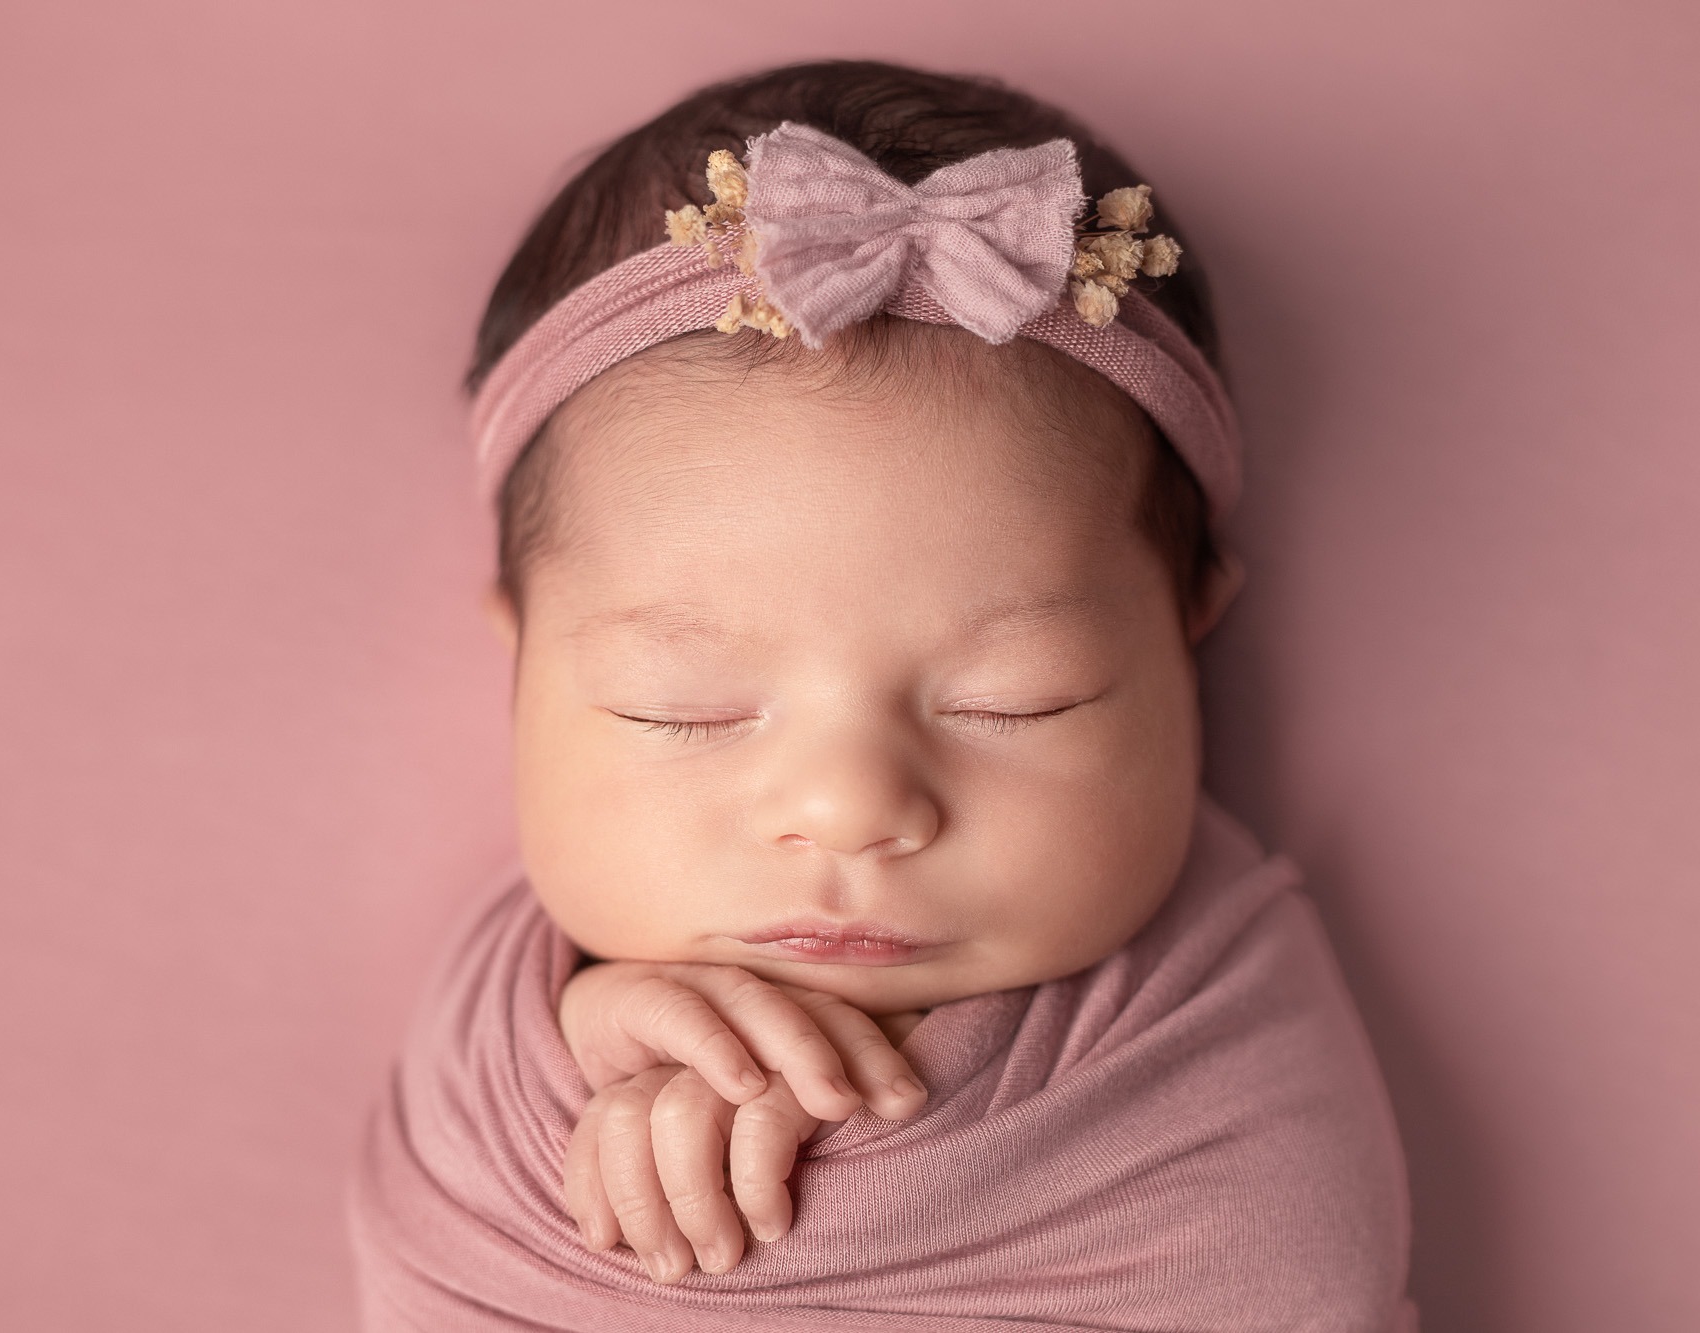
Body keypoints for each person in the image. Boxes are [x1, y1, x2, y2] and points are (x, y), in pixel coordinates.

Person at [351, 59, 1415, 1332]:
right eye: (677, 704)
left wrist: (861, 1123)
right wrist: (584, 1045)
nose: (850, 809)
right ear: (519, 657)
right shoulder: (504, 1033)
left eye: (1017, 701)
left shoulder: (1207, 1018)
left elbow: (1295, 1276)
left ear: (1186, 635)